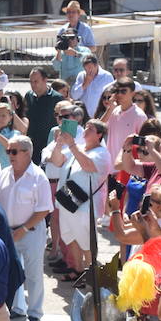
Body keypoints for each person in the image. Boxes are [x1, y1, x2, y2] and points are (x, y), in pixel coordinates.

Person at [0, 136, 51, 321]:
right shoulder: (3, 174)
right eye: (8, 151)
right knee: (12, 271)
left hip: (31, 231)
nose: (9, 155)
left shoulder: (38, 177)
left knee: (33, 272)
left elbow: (44, 209)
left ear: (27, 153)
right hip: (8, 232)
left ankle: (35, 312)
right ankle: (17, 308)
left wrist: (24, 229)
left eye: (13, 151)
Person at [47, 119, 111, 280]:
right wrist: (59, 144)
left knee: (87, 243)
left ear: (99, 135)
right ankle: (77, 270)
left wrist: (72, 145)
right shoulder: (79, 148)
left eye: (91, 129)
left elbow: (88, 165)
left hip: (85, 207)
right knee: (71, 238)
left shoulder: (102, 153)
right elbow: (57, 161)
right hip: (67, 201)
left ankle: (92, 277)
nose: (86, 130)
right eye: (86, 127)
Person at [23, 67, 64, 163]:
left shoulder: (57, 98)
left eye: (36, 81)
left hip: (49, 144)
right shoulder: (29, 96)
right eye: (31, 82)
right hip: (32, 145)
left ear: (45, 80)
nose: (33, 85)